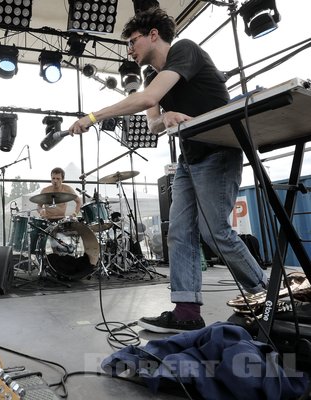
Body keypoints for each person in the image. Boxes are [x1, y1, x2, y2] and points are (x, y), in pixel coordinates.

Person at [68, 8, 267, 333]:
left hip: (219, 150)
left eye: (133, 41)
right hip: (190, 159)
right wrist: (168, 116)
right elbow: (155, 124)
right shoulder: (151, 76)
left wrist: (93, 117)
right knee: (178, 232)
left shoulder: (184, 50)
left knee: (214, 231)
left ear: (154, 35)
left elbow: (147, 98)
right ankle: (187, 311)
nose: (130, 49)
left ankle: (267, 295)